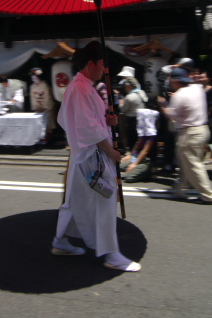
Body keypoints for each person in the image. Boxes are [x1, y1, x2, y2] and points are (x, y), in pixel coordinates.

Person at [53, 41, 141, 272]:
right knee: (105, 199)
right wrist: (109, 150)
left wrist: (107, 120)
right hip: (92, 155)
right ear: (90, 63)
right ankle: (111, 253)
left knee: (74, 201)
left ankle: (60, 241)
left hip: (84, 154)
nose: (104, 68)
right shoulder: (81, 87)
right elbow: (87, 126)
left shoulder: (82, 86)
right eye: (102, 63)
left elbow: (75, 120)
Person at [158, 68, 212, 204]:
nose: (169, 83)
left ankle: (208, 195)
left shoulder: (179, 96)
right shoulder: (197, 88)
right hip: (203, 129)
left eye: (171, 80)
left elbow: (172, 115)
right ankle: (179, 188)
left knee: (193, 163)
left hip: (190, 133)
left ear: (176, 81)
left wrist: (163, 106)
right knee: (187, 161)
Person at [120, 104, 159, 183]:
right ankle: (139, 169)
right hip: (139, 158)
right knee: (119, 166)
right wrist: (130, 155)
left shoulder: (151, 134)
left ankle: (149, 172)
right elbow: (138, 142)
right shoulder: (143, 130)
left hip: (147, 161)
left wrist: (134, 164)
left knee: (129, 178)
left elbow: (145, 151)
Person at [119, 76, 148, 156]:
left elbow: (123, 109)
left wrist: (121, 102)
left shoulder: (129, 97)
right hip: (142, 119)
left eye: (125, 86)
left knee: (133, 140)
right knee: (141, 139)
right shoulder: (142, 93)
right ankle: (141, 156)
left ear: (130, 86)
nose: (124, 88)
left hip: (132, 121)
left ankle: (134, 157)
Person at [30, 68, 55, 141]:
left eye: (35, 78)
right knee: (38, 123)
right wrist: (37, 106)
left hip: (46, 107)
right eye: (33, 78)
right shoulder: (32, 87)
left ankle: (47, 138)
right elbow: (33, 98)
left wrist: (44, 106)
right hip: (38, 107)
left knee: (47, 122)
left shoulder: (45, 85)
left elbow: (48, 97)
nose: (34, 79)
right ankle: (39, 138)